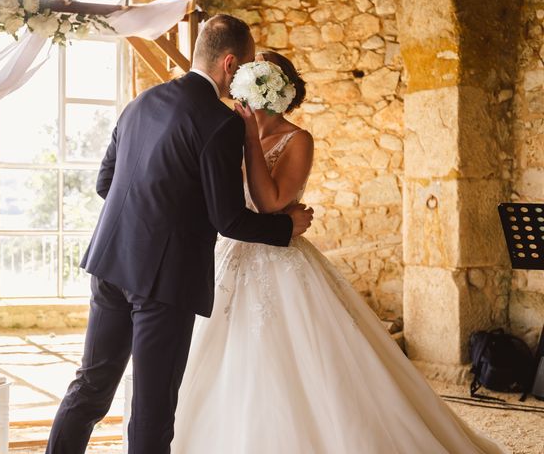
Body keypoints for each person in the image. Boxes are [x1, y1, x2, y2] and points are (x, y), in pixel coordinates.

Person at [171, 51, 510, 454]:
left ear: (275, 90)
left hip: (279, 258)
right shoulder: (226, 130)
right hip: (228, 254)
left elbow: (271, 204)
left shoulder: (298, 139)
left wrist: (249, 139)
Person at [44, 16, 314, 454]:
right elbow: (229, 220)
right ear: (230, 64)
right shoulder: (220, 123)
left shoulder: (141, 101)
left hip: (110, 264)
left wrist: (153, 214)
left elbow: (104, 183)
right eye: (244, 65)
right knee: (153, 412)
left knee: (90, 388)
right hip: (163, 283)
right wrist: (287, 225)